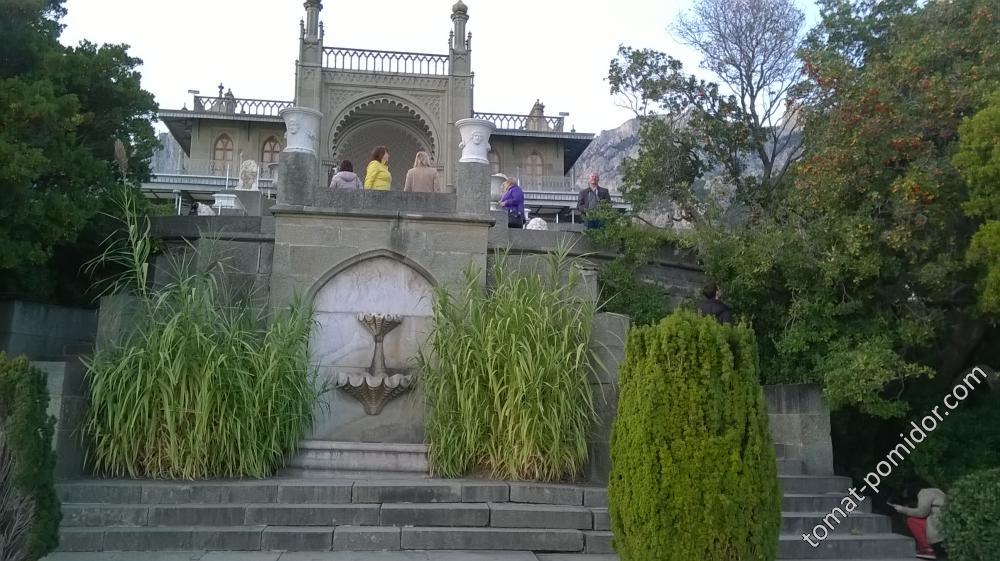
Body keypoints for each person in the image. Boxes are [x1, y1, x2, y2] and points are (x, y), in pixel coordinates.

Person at [888, 487, 947, 560]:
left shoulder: (924, 493)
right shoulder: (937, 492)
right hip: (943, 525)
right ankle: (926, 548)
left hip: (937, 528)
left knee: (912, 521)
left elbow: (921, 513)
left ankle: (927, 549)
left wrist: (903, 509)